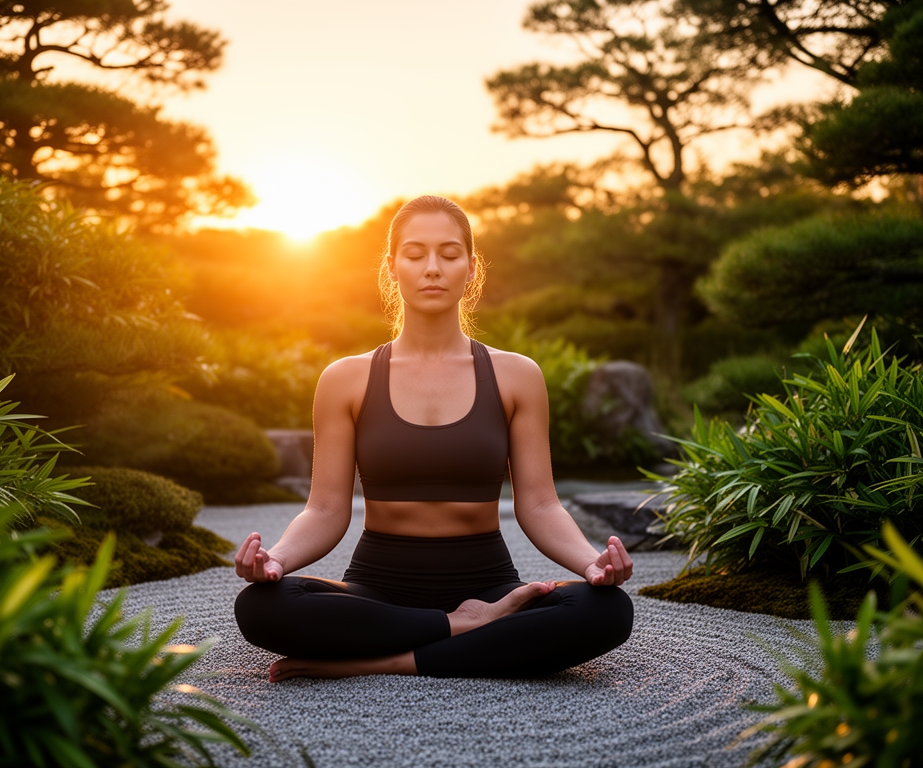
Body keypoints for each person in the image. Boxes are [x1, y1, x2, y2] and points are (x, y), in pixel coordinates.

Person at [233, 195, 634, 682]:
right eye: (415, 253)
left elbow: (541, 505)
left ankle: (388, 659)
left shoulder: (516, 375)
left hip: (489, 584)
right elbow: (325, 510)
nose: (432, 268)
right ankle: (462, 629)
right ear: (392, 267)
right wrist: (275, 560)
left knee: (606, 610)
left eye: (449, 254)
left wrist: (592, 564)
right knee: (261, 606)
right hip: (377, 587)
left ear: (470, 268)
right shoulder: (346, 378)